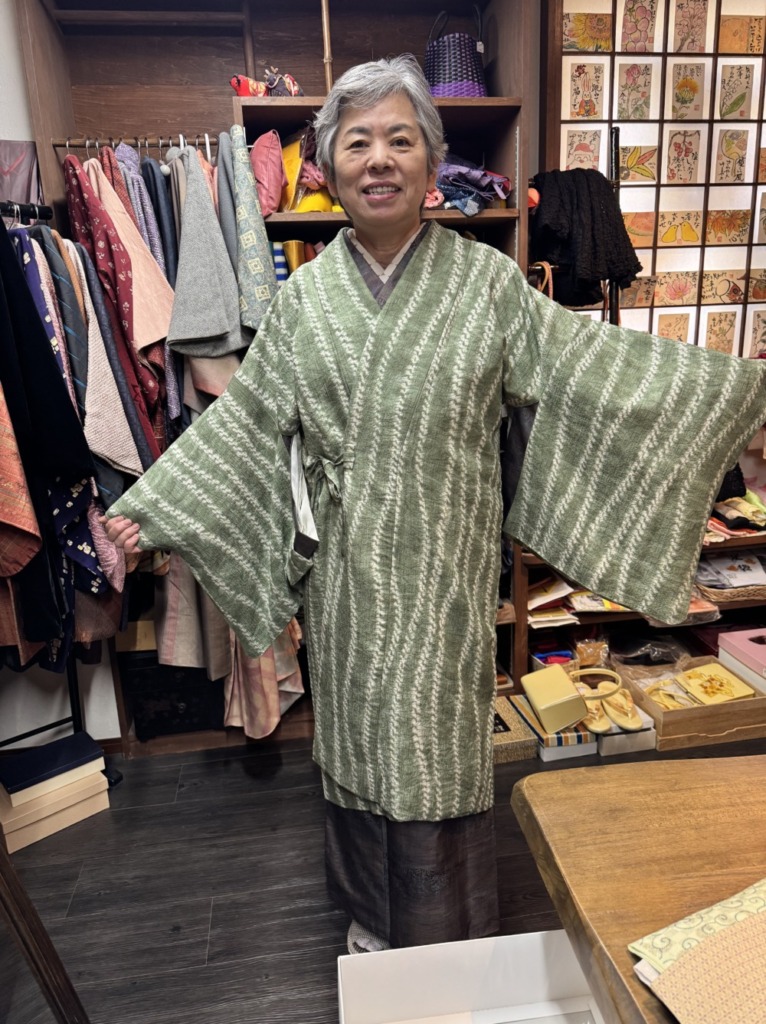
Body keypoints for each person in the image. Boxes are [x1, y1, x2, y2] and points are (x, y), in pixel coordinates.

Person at [104, 54, 766, 954]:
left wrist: (735, 394)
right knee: (357, 748)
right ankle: (373, 923)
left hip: (447, 572)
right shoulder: (305, 302)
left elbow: (590, 368)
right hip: (346, 578)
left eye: (400, 140)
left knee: (437, 752)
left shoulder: (487, 283)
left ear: (431, 163)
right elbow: (249, 420)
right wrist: (152, 507)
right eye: (357, 143)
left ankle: (445, 939)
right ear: (327, 167)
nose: (378, 159)